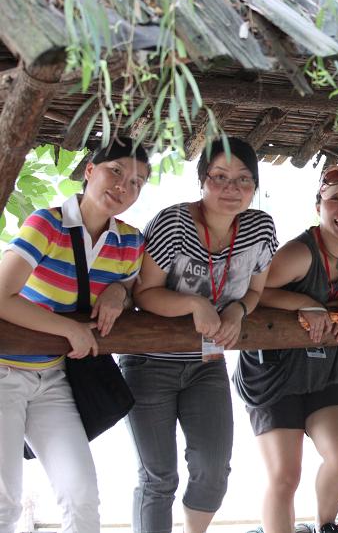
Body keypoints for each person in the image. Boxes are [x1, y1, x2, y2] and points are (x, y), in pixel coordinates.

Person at [128, 138, 278, 533]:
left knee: (213, 471)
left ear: (255, 185)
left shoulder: (260, 228)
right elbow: (143, 293)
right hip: (149, 363)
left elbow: (255, 291)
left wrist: (237, 310)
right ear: (201, 179)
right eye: (220, 177)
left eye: (243, 179)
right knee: (158, 478)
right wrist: (194, 304)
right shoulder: (173, 224)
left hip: (207, 362)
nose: (232, 189)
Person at [0, 138, 150, 533]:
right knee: (4, 502)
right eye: (115, 171)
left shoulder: (130, 241)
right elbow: (1, 296)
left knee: (81, 495)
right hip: (4, 372)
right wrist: (69, 328)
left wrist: (118, 293)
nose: (123, 186)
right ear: (89, 171)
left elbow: (131, 290)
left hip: (53, 377)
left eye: (136, 182)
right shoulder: (47, 224)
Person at [235, 164, 338, 533]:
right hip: (274, 372)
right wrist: (302, 303)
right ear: (318, 206)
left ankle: (327, 525)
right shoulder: (299, 254)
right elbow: (253, 293)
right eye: (335, 199)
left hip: (325, 368)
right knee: (285, 476)